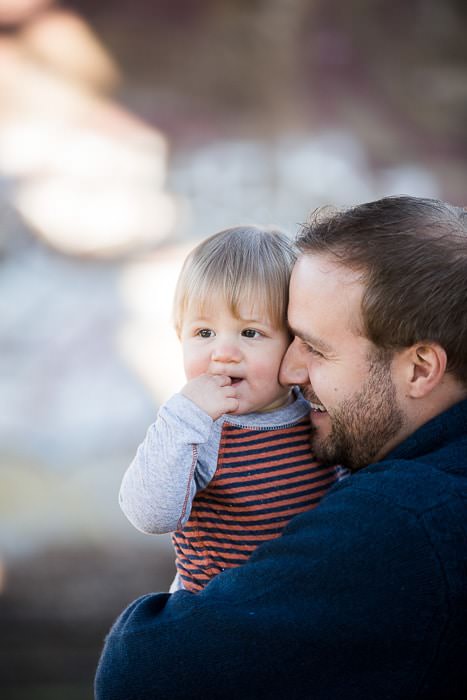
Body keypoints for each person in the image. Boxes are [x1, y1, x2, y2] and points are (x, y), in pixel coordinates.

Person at [95, 196, 467, 700]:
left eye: (314, 346)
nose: (291, 372)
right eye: (202, 332)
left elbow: (136, 673)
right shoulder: (219, 429)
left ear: (421, 368)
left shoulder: (405, 517)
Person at [119, 225, 340, 592]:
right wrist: (183, 417)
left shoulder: (317, 413)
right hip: (215, 616)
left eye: (250, 333)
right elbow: (150, 515)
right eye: (204, 333)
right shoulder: (197, 430)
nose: (223, 352)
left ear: (294, 344)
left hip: (301, 606)